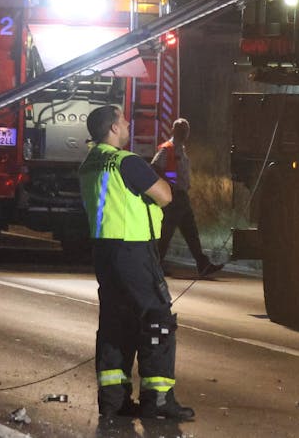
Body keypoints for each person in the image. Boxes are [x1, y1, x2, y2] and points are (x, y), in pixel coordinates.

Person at [79, 104, 194, 422]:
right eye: (123, 120)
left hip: (104, 252)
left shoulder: (90, 163)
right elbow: (165, 195)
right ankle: (157, 399)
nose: (128, 124)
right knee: (157, 318)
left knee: (117, 322)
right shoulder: (125, 161)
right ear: (113, 129)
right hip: (133, 251)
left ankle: (114, 400)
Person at [152, 118, 221, 278]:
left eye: (185, 130)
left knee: (190, 232)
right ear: (174, 131)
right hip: (173, 196)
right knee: (167, 233)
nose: (184, 133)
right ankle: (156, 266)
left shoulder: (180, 149)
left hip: (181, 196)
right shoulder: (168, 149)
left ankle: (203, 264)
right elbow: (155, 167)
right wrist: (168, 184)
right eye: (181, 130)